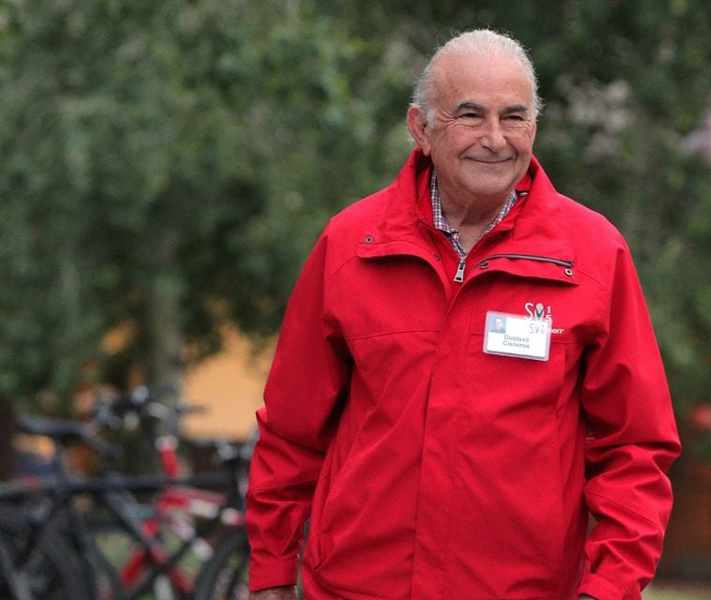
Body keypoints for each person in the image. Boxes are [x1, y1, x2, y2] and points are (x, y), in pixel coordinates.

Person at [246, 29, 681, 600]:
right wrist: (272, 573)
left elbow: (637, 448)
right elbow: (291, 432)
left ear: (534, 128)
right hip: (358, 587)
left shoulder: (593, 255)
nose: (495, 139)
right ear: (420, 129)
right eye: (470, 115)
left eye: (514, 117)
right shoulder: (352, 245)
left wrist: (609, 588)